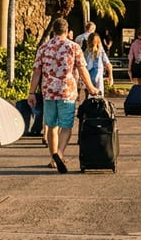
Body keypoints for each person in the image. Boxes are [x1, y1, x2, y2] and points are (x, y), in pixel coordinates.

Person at [30, 17, 99, 173]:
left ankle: (53, 158)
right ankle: (60, 154)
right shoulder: (73, 47)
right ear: (67, 31)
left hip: (48, 92)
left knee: (51, 126)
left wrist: (31, 92)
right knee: (66, 126)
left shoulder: (44, 47)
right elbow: (82, 70)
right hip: (67, 92)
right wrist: (91, 88)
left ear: (53, 31)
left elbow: (36, 72)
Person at [83, 32, 113, 99]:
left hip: (88, 78)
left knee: (88, 98)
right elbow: (108, 64)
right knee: (99, 98)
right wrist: (110, 76)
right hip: (98, 79)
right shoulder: (100, 51)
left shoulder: (86, 52)